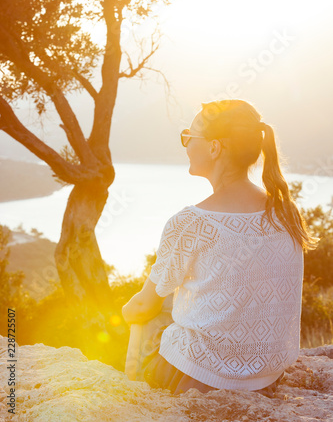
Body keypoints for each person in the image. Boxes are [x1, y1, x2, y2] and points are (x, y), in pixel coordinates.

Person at [122, 99, 319, 396]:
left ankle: (132, 401)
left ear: (214, 148)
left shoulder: (191, 223)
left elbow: (142, 306)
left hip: (197, 377)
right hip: (266, 377)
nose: (186, 144)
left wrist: (125, 311)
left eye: (190, 136)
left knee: (155, 315)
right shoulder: (286, 211)